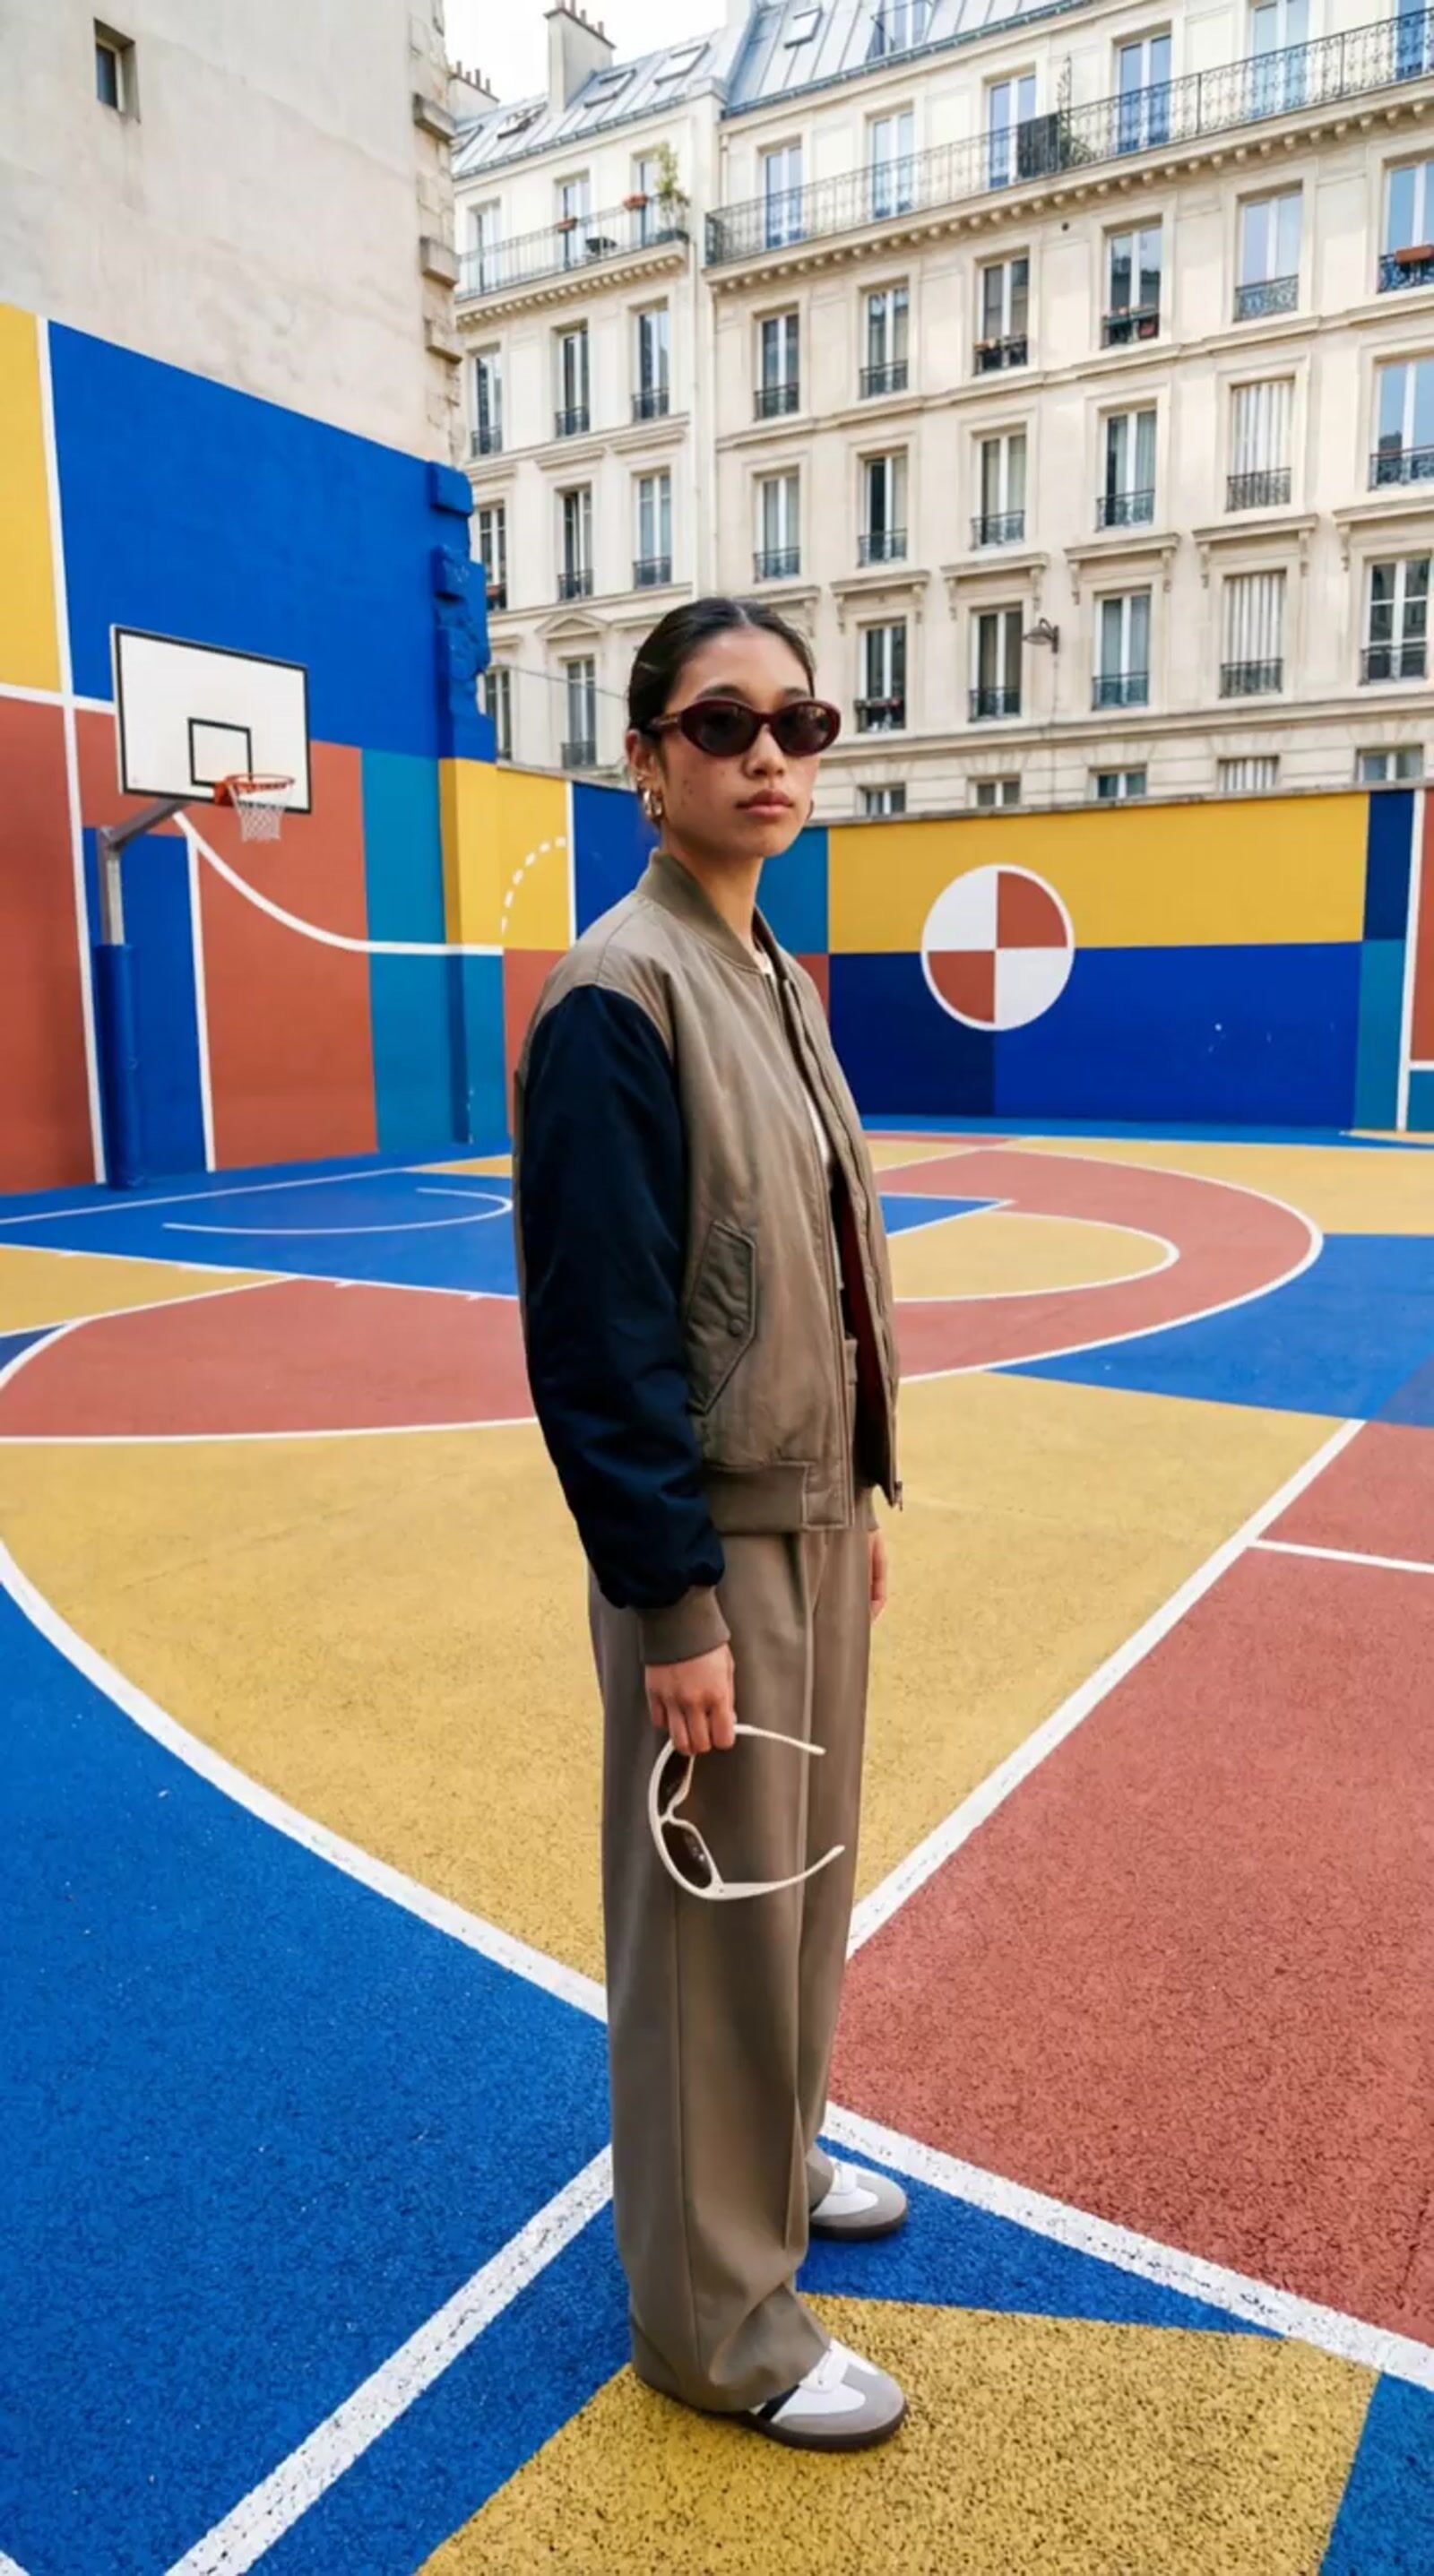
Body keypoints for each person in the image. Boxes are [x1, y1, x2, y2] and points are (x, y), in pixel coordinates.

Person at [513, 597, 906, 2452]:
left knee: (801, 1893)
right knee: (707, 1925)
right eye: (723, 721)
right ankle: (715, 2321)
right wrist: (672, 1598)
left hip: (809, 1520)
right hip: (711, 1544)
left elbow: (817, 1271)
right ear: (646, 761)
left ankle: (781, 2160)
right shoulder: (620, 993)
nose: (770, 752)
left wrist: (856, 1495)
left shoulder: (774, 978)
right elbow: (598, 1343)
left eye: (799, 722)